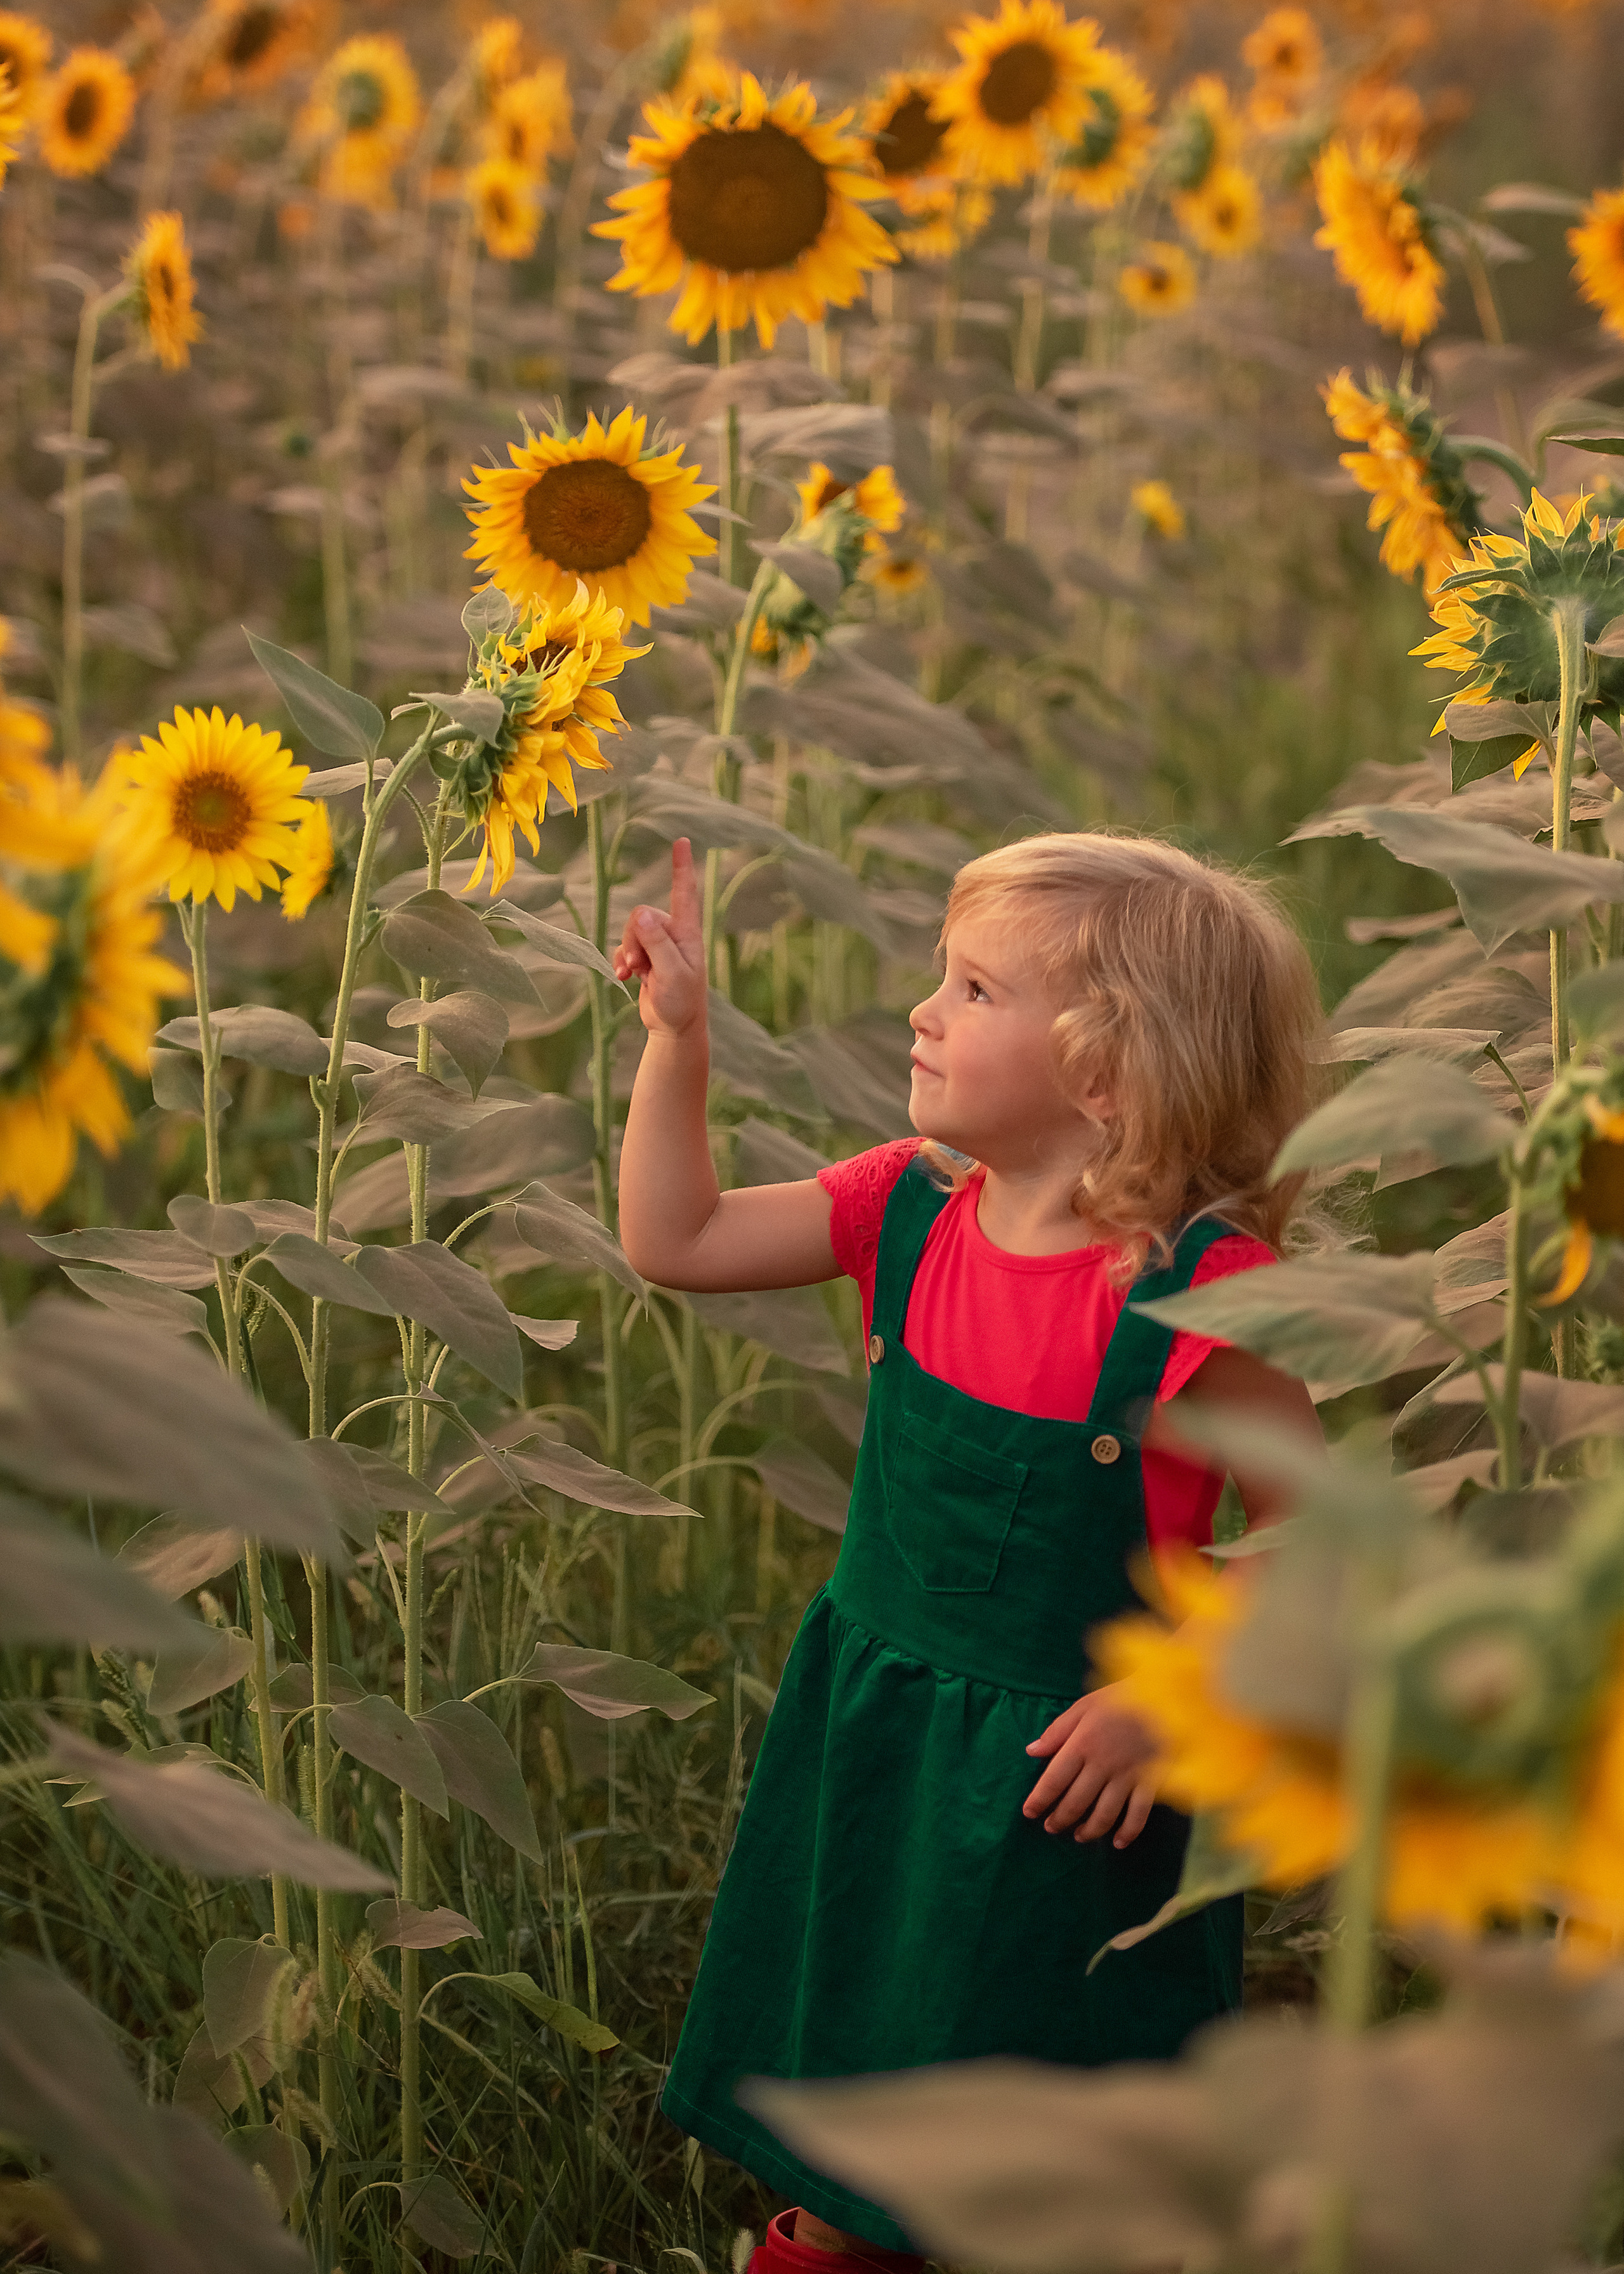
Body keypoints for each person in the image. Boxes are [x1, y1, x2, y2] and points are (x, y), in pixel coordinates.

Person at [611, 829, 1324, 2272]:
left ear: (1109, 1070)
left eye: (975, 988)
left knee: (1047, 2164)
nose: (926, 1009)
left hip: (1074, 1800)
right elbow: (672, 1238)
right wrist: (676, 1042)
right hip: (875, 1751)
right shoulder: (905, 1208)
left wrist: (1168, 1696)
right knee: (844, 2106)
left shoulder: (1210, 1298)